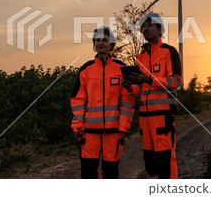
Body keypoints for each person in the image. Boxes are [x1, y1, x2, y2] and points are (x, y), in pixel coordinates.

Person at [122, 13, 182, 179]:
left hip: (163, 116)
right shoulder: (140, 57)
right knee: (150, 163)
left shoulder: (169, 52)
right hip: (145, 119)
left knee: (165, 162)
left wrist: (150, 79)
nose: (145, 29)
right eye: (143, 26)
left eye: (149, 25)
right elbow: (141, 89)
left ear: (159, 29)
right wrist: (130, 86)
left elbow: (176, 80)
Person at [71, 26, 135, 179]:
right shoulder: (86, 69)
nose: (100, 43)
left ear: (111, 44)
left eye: (104, 40)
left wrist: (123, 126)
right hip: (89, 132)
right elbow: (78, 99)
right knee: (88, 173)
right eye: (97, 40)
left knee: (111, 173)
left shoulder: (121, 69)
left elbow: (127, 100)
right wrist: (79, 125)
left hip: (113, 133)